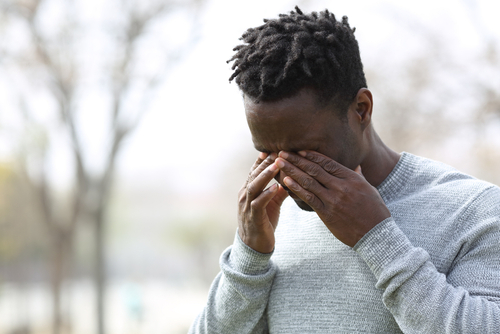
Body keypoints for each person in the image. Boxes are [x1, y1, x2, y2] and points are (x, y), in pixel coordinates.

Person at [189, 7, 500, 333]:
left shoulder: (476, 211)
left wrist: (377, 237)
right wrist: (248, 258)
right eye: (267, 152)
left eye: (303, 150)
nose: (285, 172)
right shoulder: (272, 220)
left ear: (361, 110)